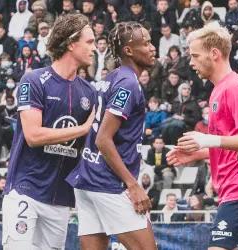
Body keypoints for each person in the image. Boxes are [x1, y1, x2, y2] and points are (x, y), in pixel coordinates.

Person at [2, 14, 97, 249]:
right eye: (90, 41)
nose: (94, 48)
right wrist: (83, 128)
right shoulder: (33, 80)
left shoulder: (90, 93)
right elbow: (33, 136)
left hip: (61, 198)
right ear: (71, 43)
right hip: (26, 190)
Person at [167, 22, 238, 250]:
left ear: (215, 54)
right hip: (234, 189)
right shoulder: (218, 89)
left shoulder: (235, 88)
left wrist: (206, 140)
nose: (190, 62)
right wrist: (197, 154)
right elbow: (231, 144)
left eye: (195, 56)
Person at [66, 21, 157, 250]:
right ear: (128, 50)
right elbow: (103, 139)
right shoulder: (128, 83)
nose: (152, 47)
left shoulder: (112, 78)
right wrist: (133, 184)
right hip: (108, 183)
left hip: (87, 179)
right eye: (145, 43)